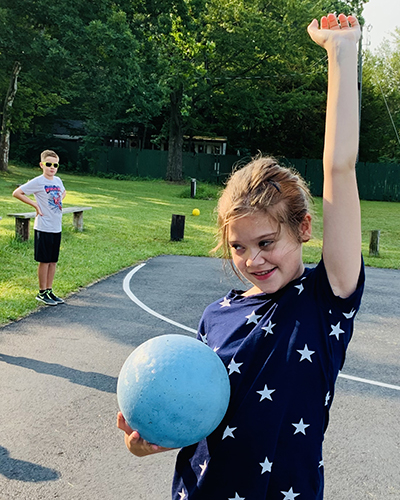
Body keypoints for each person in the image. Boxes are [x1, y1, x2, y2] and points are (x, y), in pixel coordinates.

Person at [117, 12, 364, 499]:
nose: (253, 260)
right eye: (238, 246)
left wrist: (341, 53)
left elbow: (340, 169)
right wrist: (149, 441)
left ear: (304, 228)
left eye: (266, 243)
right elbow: (195, 415)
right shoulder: (216, 317)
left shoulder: (324, 300)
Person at [12, 149, 66, 306]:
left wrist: (59, 200)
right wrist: (35, 204)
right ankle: (42, 292)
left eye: (55, 165)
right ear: (42, 165)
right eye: (48, 164)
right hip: (44, 227)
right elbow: (17, 193)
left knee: (53, 261)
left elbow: (63, 192)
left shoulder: (58, 180)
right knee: (44, 261)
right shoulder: (38, 181)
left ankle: (49, 289)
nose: (52, 167)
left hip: (56, 227)